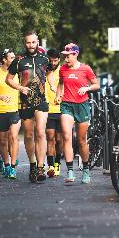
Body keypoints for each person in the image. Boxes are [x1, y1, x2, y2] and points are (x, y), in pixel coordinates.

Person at [6, 30, 49, 182]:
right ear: (25, 43)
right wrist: (20, 88)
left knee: (41, 132)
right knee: (29, 135)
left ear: (38, 42)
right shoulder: (19, 60)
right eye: (28, 42)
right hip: (25, 102)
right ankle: (32, 164)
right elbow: (8, 79)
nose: (31, 45)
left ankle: (40, 167)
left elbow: (49, 74)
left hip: (41, 101)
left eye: (33, 42)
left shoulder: (45, 58)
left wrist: (52, 88)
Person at [56, 43, 100, 183]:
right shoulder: (62, 69)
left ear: (75, 54)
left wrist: (87, 89)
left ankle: (86, 171)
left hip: (82, 106)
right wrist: (58, 95)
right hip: (67, 105)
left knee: (81, 141)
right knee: (67, 137)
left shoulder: (85, 69)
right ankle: (70, 172)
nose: (65, 59)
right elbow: (60, 84)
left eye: (67, 56)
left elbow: (96, 84)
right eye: (64, 56)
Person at [0, 49, 21, 179]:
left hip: (15, 109)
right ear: (4, 59)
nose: (14, 59)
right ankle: (7, 165)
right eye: (11, 57)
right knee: (2, 141)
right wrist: (1, 97)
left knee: (14, 137)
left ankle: (13, 167)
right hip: (0, 110)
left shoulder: (19, 72)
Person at [45, 48, 63, 177]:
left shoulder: (63, 71)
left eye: (55, 60)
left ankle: (57, 163)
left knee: (59, 140)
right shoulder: (44, 70)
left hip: (62, 109)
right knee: (50, 137)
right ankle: (50, 165)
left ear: (59, 60)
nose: (53, 63)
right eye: (51, 60)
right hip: (48, 109)